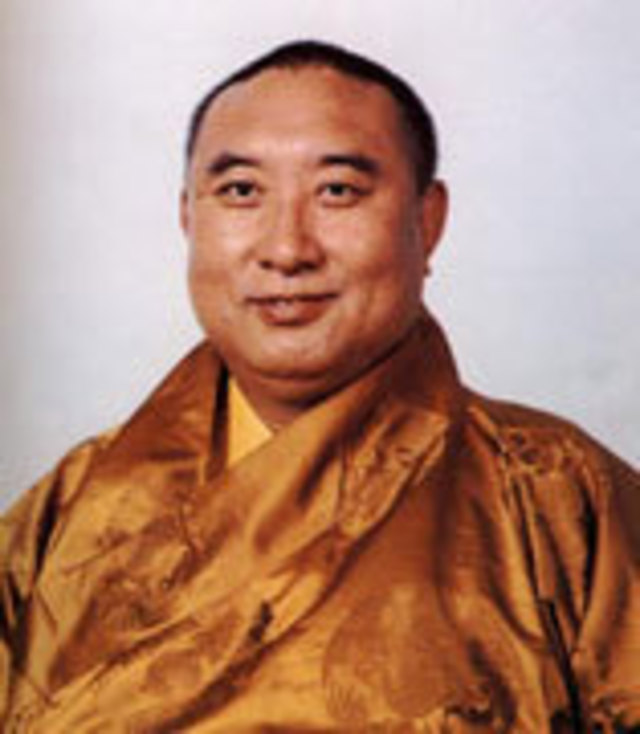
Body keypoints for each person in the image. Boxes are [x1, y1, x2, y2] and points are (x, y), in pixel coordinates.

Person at [1, 40, 638, 733]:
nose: (287, 249)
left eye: (337, 191)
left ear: (427, 221)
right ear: (188, 218)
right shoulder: (71, 509)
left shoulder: (559, 497)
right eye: (241, 192)